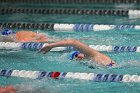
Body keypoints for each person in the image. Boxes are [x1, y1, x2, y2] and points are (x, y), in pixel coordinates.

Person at [39, 39, 117, 67]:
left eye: (76, 54)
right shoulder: (88, 63)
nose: (77, 57)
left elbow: (73, 42)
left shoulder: (91, 54)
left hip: (112, 67)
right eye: (75, 58)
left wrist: (51, 46)